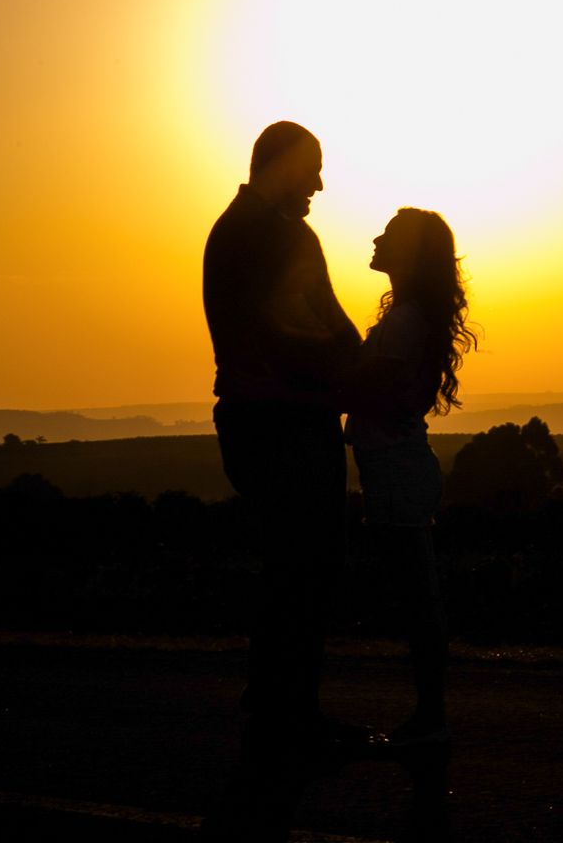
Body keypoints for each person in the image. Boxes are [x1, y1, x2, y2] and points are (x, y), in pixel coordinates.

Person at [201, 121, 362, 744]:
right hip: (283, 418)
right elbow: (300, 329)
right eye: (312, 167)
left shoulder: (249, 230)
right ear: (282, 162)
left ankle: (275, 704)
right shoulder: (264, 234)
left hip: (267, 417)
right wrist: (355, 375)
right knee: (307, 567)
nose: (320, 183)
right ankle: (290, 715)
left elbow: (322, 319)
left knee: (291, 566)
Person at [342, 207, 477, 745]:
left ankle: (432, 716)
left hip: (396, 466)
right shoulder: (410, 316)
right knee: (414, 593)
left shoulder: (404, 322)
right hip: (398, 464)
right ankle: (429, 713)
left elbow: (373, 392)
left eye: (389, 236)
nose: (375, 240)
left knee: (417, 596)